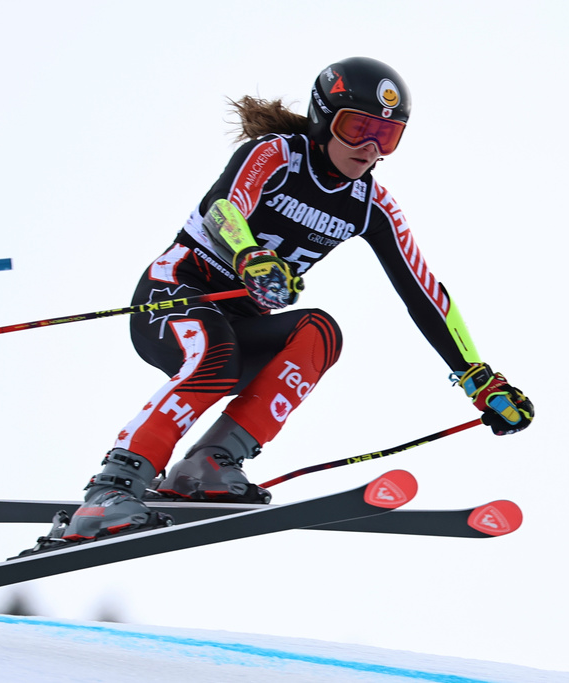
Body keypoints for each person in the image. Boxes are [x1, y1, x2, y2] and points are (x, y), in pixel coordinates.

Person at [30, 56, 534, 549]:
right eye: (358, 128)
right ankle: (111, 488)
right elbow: (223, 208)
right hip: (177, 294)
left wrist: (478, 376)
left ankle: (210, 463)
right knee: (215, 355)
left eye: (387, 136)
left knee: (320, 332)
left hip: (240, 324)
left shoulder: (371, 206)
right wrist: (249, 255)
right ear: (323, 119)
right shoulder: (276, 154)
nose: (370, 147)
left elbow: (424, 292)